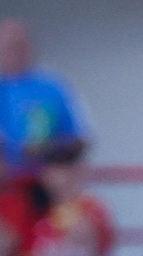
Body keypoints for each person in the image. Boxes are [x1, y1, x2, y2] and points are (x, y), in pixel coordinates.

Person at [0, 19, 86, 169]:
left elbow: (81, 137)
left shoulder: (53, 86)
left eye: (19, 46)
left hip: (44, 181)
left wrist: (47, 149)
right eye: (8, 47)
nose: (14, 53)